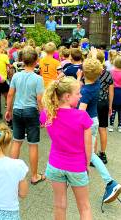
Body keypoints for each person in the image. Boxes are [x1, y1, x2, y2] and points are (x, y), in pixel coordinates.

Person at [40, 76, 93, 220]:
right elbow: (88, 147)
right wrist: (86, 165)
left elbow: (43, 120)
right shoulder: (82, 116)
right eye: (78, 93)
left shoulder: (47, 114)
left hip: (55, 165)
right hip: (76, 166)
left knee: (59, 204)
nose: (81, 95)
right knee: (84, 207)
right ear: (68, 96)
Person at [78, 58, 121, 205]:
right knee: (88, 153)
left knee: (90, 154)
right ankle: (84, 175)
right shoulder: (96, 84)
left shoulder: (85, 91)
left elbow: (80, 113)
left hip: (87, 124)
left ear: (83, 72)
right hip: (94, 121)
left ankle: (110, 182)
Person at [5, 46, 45, 184]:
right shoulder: (38, 79)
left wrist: (8, 110)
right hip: (31, 111)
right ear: (36, 61)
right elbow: (39, 100)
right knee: (33, 144)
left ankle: (11, 175)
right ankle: (34, 176)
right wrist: (43, 115)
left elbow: (10, 94)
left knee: (16, 141)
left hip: (17, 110)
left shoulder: (16, 75)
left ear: (21, 60)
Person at [96, 50, 113, 164]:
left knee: (91, 129)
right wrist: (110, 106)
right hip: (103, 102)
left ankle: (92, 154)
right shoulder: (107, 74)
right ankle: (103, 153)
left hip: (92, 103)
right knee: (102, 128)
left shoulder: (89, 72)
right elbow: (111, 92)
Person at [109, 55, 121, 132]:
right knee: (120, 110)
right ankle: (120, 125)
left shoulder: (111, 71)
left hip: (113, 91)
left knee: (112, 109)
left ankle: (111, 125)